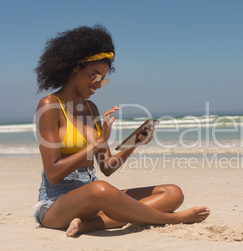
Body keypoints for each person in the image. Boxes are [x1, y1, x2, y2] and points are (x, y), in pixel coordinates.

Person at [34, 25, 210, 237]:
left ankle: (89, 225)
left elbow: (107, 167)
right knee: (101, 189)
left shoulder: (92, 109)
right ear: (75, 67)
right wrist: (98, 143)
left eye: (103, 80)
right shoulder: (50, 105)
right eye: (95, 76)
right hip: (56, 203)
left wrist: (133, 144)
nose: (98, 85)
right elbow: (53, 173)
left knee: (172, 193)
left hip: (93, 197)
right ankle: (172, 219)